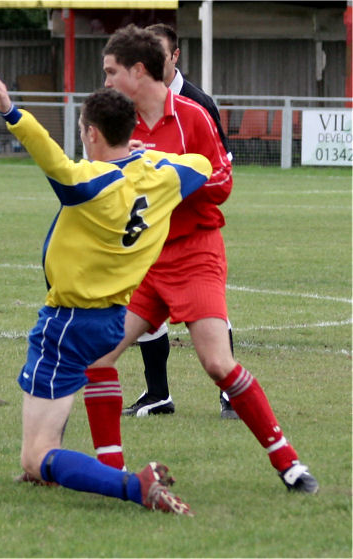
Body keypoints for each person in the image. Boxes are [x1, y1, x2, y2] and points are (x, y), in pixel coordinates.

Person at [95, 24, 317, 493]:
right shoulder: (121, 122)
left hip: (196, 253)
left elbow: (222, 185)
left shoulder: (193, 115)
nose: (107, 81)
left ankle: (289, 463)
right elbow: (103, 187)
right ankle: (112, 477)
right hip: (145, 261)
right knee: (97, 359)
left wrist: (165, 170)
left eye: (112, 72)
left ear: (138, 71)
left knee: (217, 364)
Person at [0, 68, 213, 515]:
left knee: (35, 453)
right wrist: (144, 157)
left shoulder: (90, 185)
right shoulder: (164, 176)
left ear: (90, 132)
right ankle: (42, 470)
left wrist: (11, 111)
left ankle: (135, 486)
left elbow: (51, 159)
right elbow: (201, 165)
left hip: (69, 319)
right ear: (130, 133)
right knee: (42, 437)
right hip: (112, 318)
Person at [123, 22, 238, 420]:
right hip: (147, 242)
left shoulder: (196, 104)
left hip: (192, 241)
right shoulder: (125, 112)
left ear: (173, 56)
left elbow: (221, 170)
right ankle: (158, 394)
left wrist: (171, 177)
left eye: (158, 51)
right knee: (113, 339)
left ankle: (232, 396)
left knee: (213, 325)